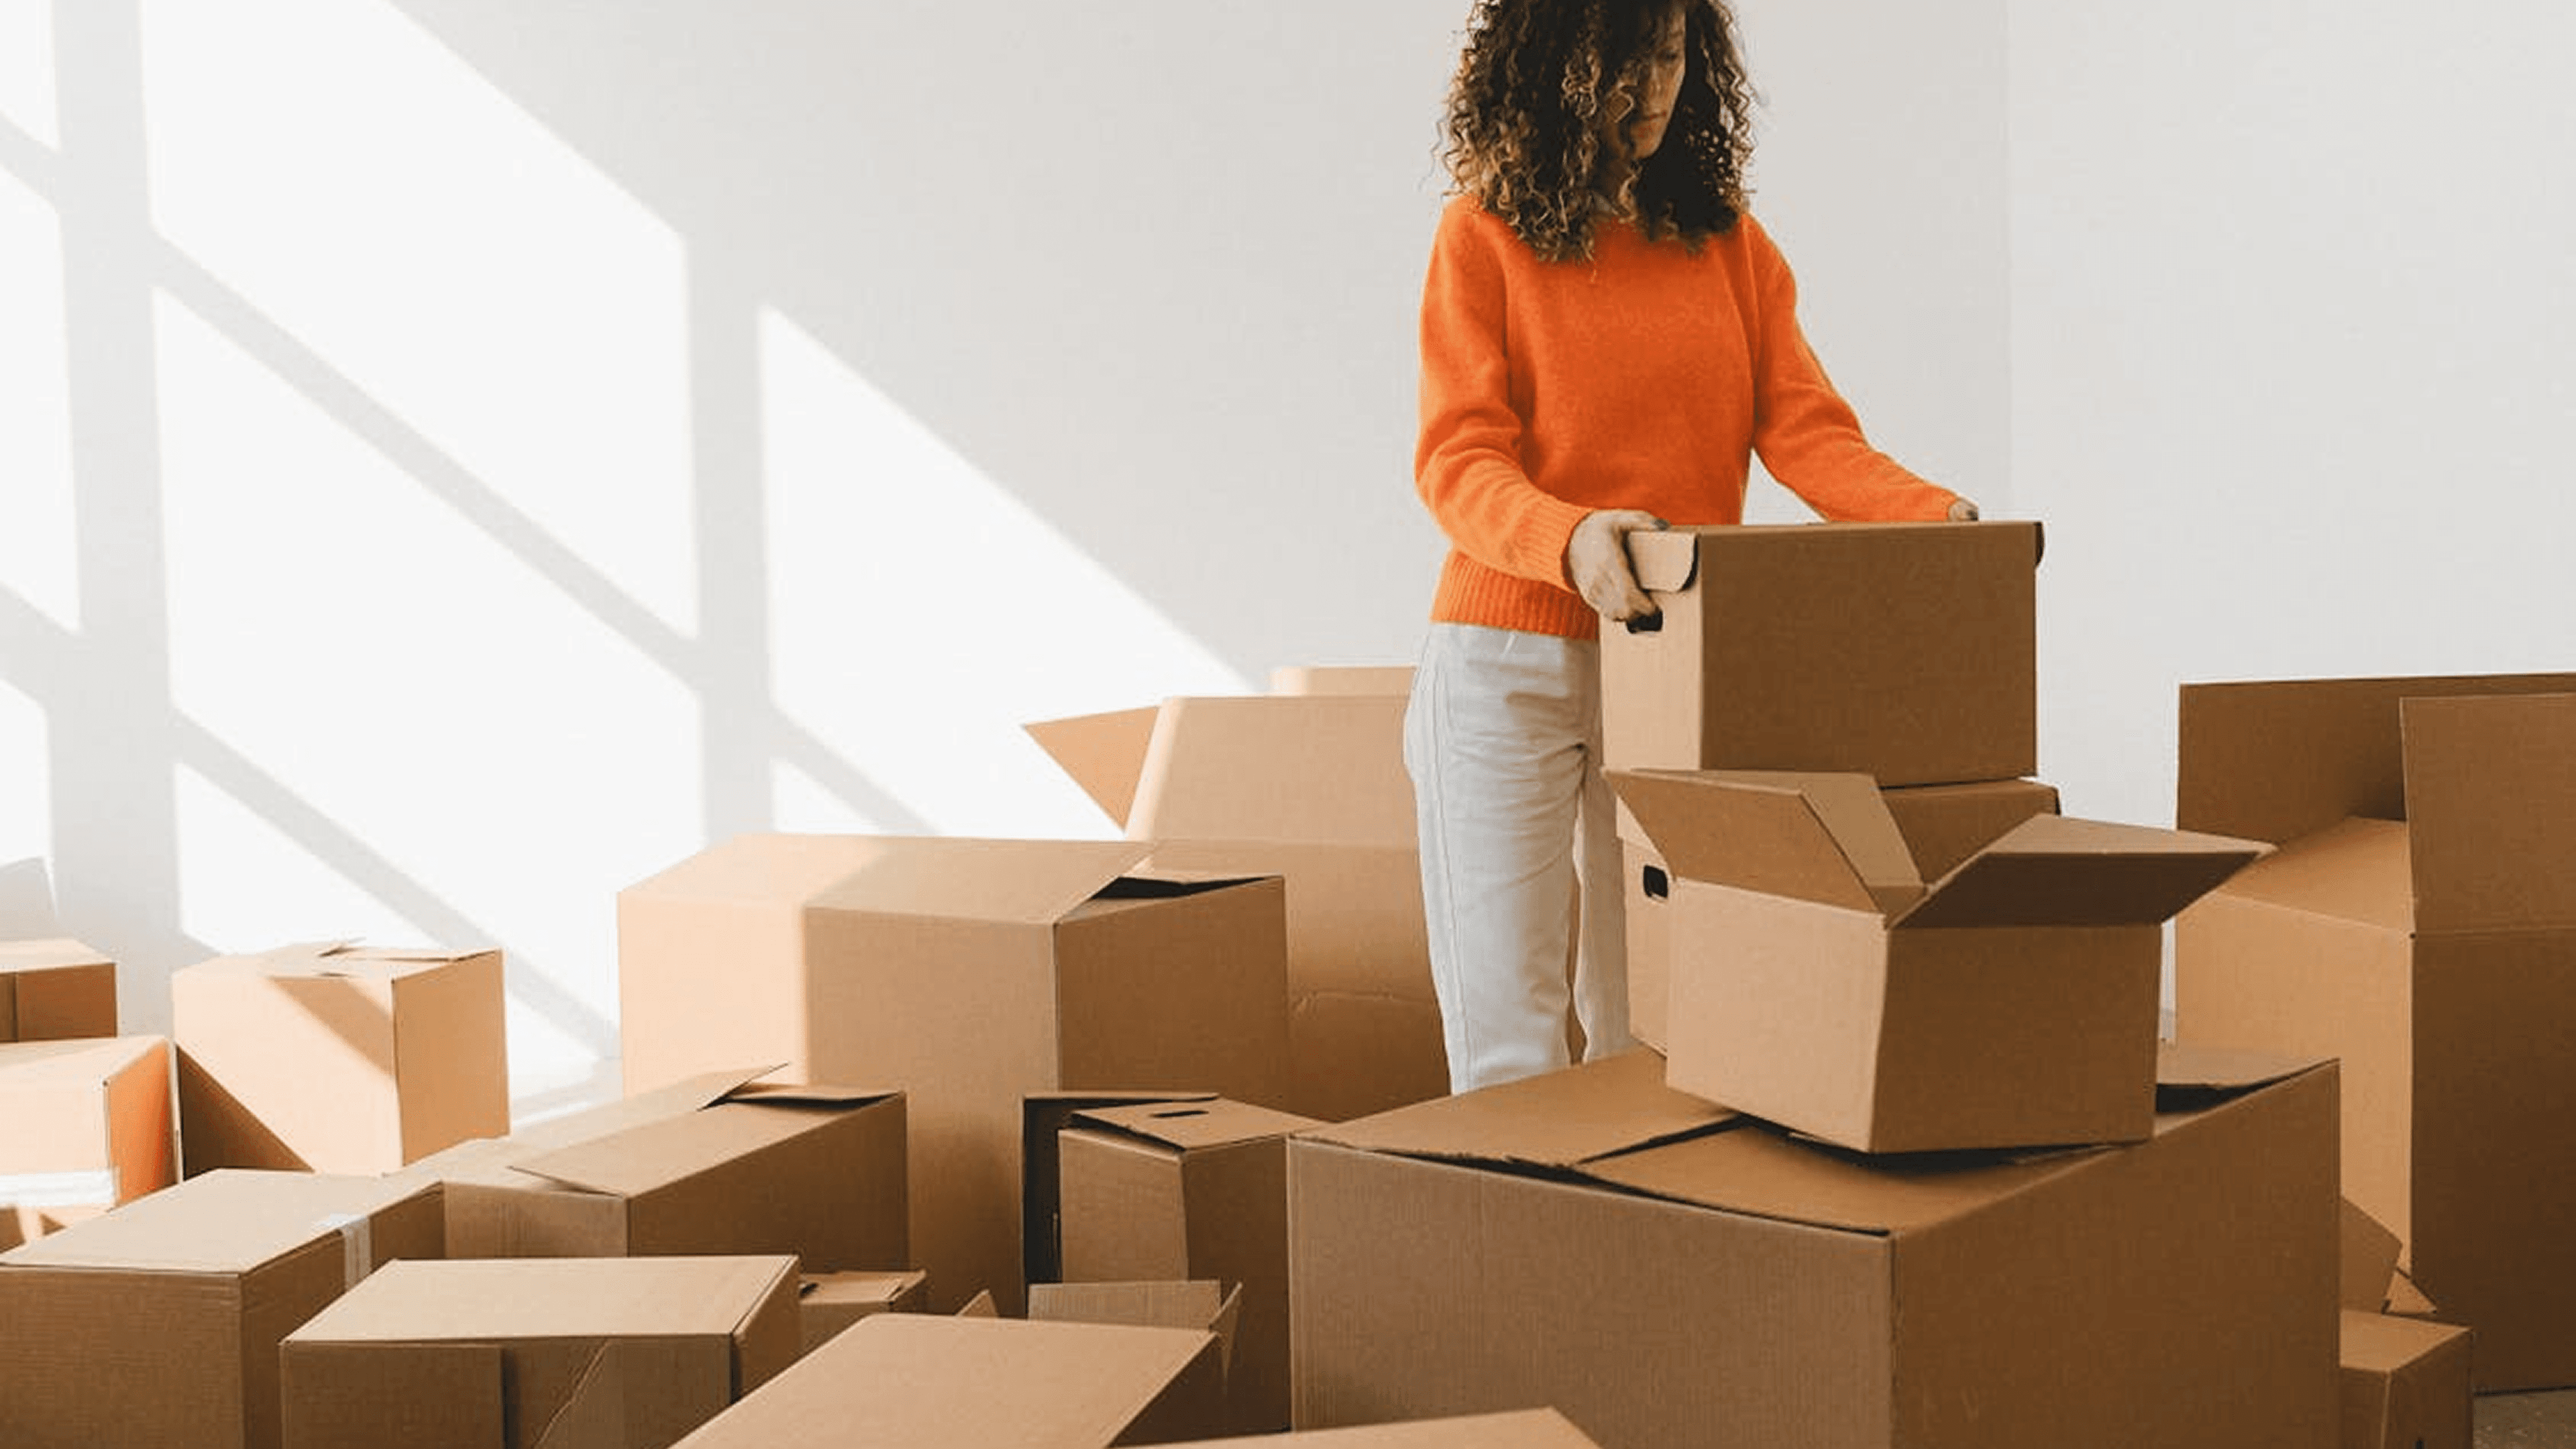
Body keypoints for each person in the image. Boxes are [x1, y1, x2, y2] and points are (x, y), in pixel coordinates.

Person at [1404, 0, 1982, 1095]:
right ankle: (1517, 1259)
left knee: (1655, 1026)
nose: (1655, 86)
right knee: (1509, 1041)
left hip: (1667, 670)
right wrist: (1570, 540)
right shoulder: (1480, 235)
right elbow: (1458, 461)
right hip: (1503, 665)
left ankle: (1647, 1259)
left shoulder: (1729, 245)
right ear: (1557, 66)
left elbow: (1808, 430)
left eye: (1672, 53)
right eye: (1626, 59)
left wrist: (1931, 517)